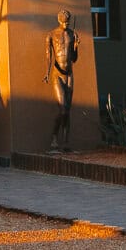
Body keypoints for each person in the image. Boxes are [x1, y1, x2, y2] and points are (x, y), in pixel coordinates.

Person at [46, 10, 79, 152]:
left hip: (69, 74)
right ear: (59, 21)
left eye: (68, 22)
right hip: (57, 74)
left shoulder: (73, 34)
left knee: (68, 110)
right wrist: (47, 72)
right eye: (64, 22)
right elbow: (48, 56)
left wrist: (77, 46)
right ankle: (54, 136)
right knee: (63, 109)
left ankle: (65, 142)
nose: (66, 24)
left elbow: (74, 59)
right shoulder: (51, 35)